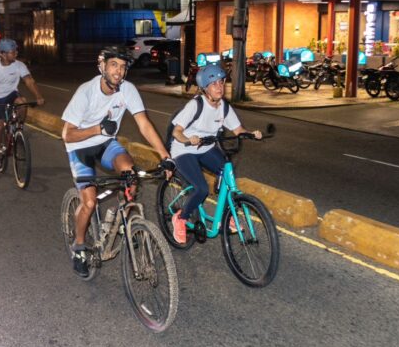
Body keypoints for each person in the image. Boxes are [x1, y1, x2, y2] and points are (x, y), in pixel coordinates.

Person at [61, 46, 175, 277]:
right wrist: (97, 128)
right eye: (114, 65)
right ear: (102, 66)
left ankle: (125, 222)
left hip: (106, 144)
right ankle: (80, 246)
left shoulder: (128, 90)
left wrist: (165, 156)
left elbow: (143, 124)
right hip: (80, 147)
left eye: (123, 67)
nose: (119, 71)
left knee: (131, 175)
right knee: (90, 203)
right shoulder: (86, 92)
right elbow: (67, 134)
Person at [168, 64, 262, 244]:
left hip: (206, 148)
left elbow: (238, 130)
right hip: (184, 150)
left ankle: (228, 217)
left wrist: (251, 134)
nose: (219, 87)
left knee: (228, 174)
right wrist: (189, 139)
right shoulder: (195, 105)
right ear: (205, 88)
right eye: (214, 84)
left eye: (221, 82)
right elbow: (176, 132)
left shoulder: (223, 107)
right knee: (201, 189)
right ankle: (180, 218)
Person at [0, 38, 45, 170]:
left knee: (22, 102)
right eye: (12, 52)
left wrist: (38, 96)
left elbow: (29, 81)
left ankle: (18, 128)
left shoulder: (19, 65)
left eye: (16, 51)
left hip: (11, 94)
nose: (16, 53)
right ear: (2, 54)